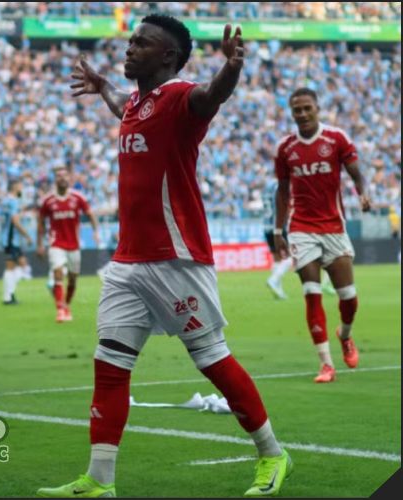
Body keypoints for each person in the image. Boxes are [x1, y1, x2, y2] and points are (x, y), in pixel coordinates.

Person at [37, 15, 291, 498]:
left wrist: (231, 68)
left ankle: (273, 454)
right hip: (128, 262)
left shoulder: (180, 97)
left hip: (177, 258)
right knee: (109, 365)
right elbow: (120, 104)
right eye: (131, 40)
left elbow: (211, 97)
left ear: (168, 56)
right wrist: (104, 84)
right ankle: (99, 480)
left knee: (213, 361)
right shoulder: (136, 103)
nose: (129, 48)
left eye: (141, 43)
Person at [272, 88, 370, 384]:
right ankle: (326, 364)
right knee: (312, 295)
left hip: (334, 229)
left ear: (317, 108)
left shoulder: (336, 139)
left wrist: (363, 194)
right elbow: (282, 191)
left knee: (349, 299)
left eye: (306, 108)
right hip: (301, 230)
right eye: (296, 110)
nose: (301, 114)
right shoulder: (285, 148)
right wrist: (279, 230)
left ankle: (346, 334)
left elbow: (356, 173)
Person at [37, 166, 100, 322]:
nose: (62, 178)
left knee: (72, 279)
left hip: (74, 245)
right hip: (56, 243)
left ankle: (66, 305)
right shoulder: (48, 201)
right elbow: (40, 223)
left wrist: (95, 232)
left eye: (65, 176)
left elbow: (90, 214)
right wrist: (40, 244)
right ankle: (60, 310)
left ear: (69, 179)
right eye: (59, 176)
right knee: (58, 273)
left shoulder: (78, 198)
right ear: (55, 179)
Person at [0, 179, 33, 305]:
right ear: (15, 187)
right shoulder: (13, 202)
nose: (22, 188)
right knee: (12, 267)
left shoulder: (6, 201)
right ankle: (7, 297)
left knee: (20, 265)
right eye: (20, 186)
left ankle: (10, 295)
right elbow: (15, 221)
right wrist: (27, 236)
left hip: (8, 237)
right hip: (11, 238)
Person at [263, 178, 293, 299]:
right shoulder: (281, 186)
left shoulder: (267, 186)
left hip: (266, 226)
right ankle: (273, 280)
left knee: (277, 258)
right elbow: (283, 206)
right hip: (279, 227)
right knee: (293, 256)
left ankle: (278, 291)